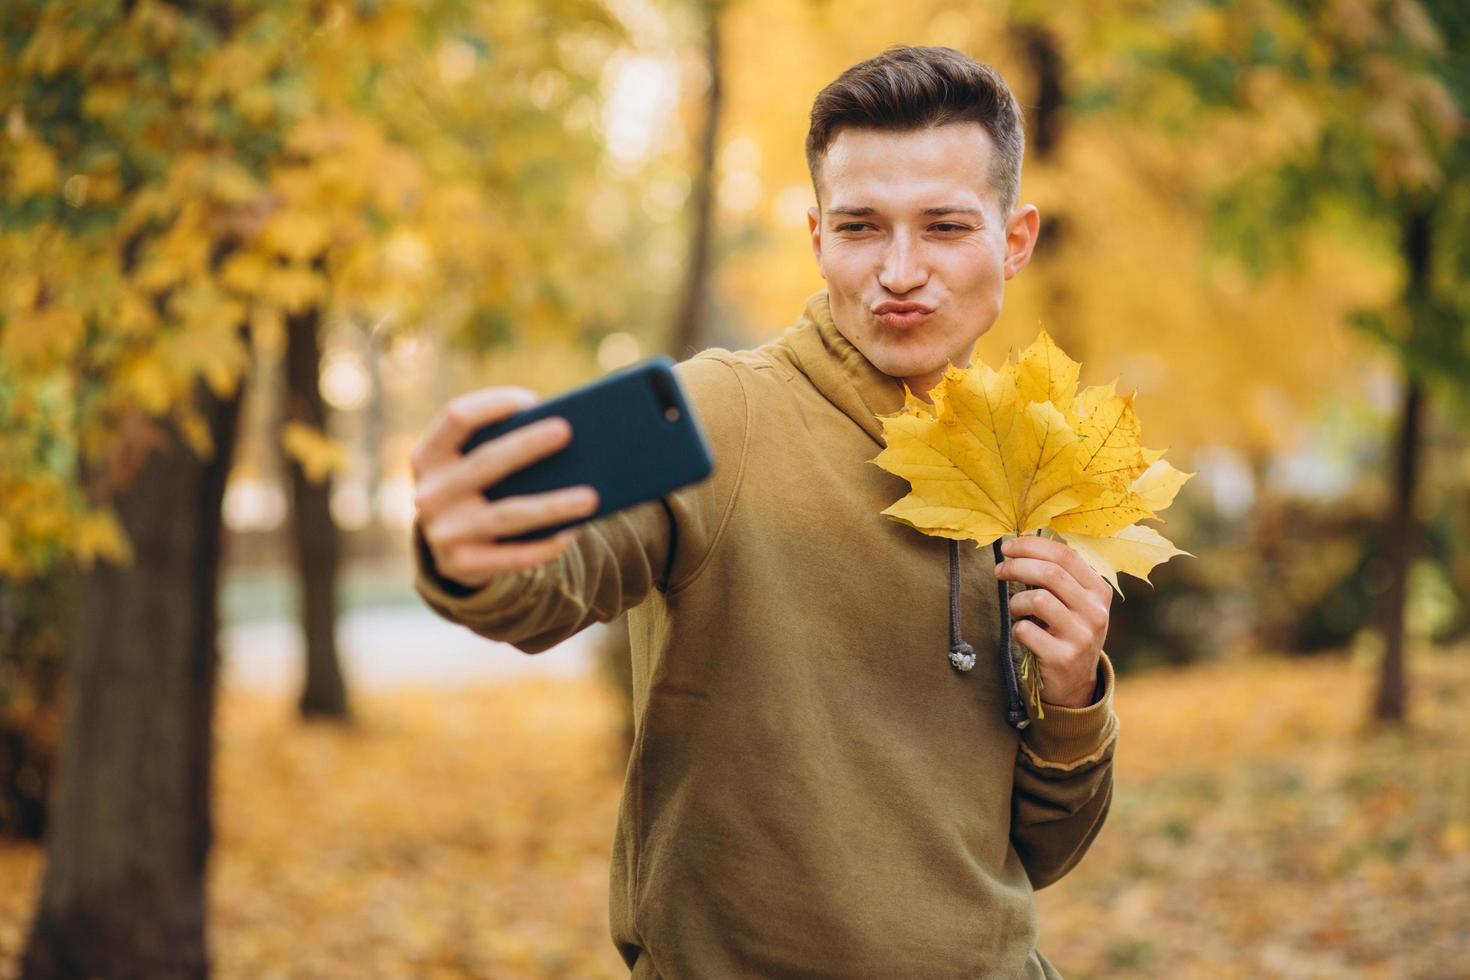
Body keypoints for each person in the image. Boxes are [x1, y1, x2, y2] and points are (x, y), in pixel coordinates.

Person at [410, 45, 1117, 979]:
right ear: (818, 236)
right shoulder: (722, 415)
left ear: (1015, 239)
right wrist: (470, 553)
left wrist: (1072, 700)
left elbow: (1041, 850)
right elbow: (553, 581)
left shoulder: (1029, 467)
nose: (901, 271)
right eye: (863, 228)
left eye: (945, 226)